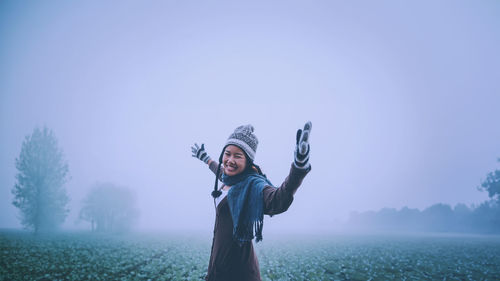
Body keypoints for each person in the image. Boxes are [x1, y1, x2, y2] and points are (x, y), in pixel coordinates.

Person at [191, 122, 312, 281]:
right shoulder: (230, 179)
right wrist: (206, 158)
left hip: (240, 273)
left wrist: (299, 166)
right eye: (227, 153)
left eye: (238, 156)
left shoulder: (253, 186)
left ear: (248, 162)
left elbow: (278, 199)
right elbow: (219, 170)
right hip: (217, 269)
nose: (230, 160)